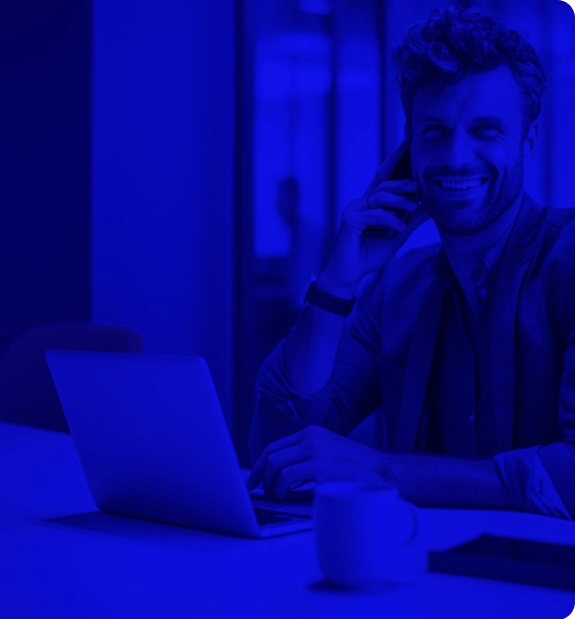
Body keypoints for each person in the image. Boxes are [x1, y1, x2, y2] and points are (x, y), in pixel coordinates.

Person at [246, 5, 574, 520]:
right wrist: (338, 279)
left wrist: (381, 470)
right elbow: (277, 446)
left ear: (528, 143)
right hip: (417, 575)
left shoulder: (570, 262)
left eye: (486, 131)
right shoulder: (399, 283)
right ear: (408, 152)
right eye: (434, 132)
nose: (456, 157)